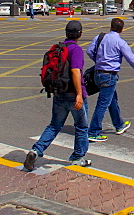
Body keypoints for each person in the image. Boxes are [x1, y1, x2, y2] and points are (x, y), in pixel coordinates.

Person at [23, 20, 91, 170]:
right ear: (80, 34)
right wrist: (79, 94)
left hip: (59, 93)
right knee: (81, 127)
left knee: (54, 125)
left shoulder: (58, 48)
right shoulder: (76, 50)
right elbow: (75, 71)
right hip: (73, 95)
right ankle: (78, 157)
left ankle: (36, 150)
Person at [86, 17, 134, 142]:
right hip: (109, 75)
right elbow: (130, 57)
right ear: (122, 30)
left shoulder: (100, 37)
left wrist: (98, 61)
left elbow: (89, 51)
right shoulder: (120, 42)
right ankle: (93, 132)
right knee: (103, 104)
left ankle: (119, 124)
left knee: (111, 99)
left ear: (110, 27)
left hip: (97, 73)